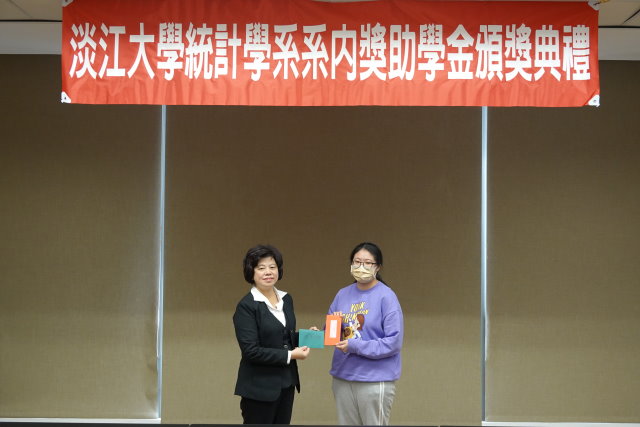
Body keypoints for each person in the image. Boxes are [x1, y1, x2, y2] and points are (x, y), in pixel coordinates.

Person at [327, 242, 404, 425]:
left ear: (378, 267)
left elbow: (393, 342)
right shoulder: (342, 294)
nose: (361, 267)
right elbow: (333, 333)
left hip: (374, 380)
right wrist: (321, 332)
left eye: (368, 263)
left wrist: (354, 345)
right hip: (343, 377)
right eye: (357, 262)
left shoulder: (386, 296)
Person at [233, 244, 310, 424]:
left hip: (287, 384)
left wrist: (307, 336)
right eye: (261, 268)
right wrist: (291, 355)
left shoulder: (286, 299)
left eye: (272, 267)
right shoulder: (246, 306)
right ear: (251, 272)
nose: (268, 272)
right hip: (259, 389)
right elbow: (251, 351)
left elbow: (283, 337)